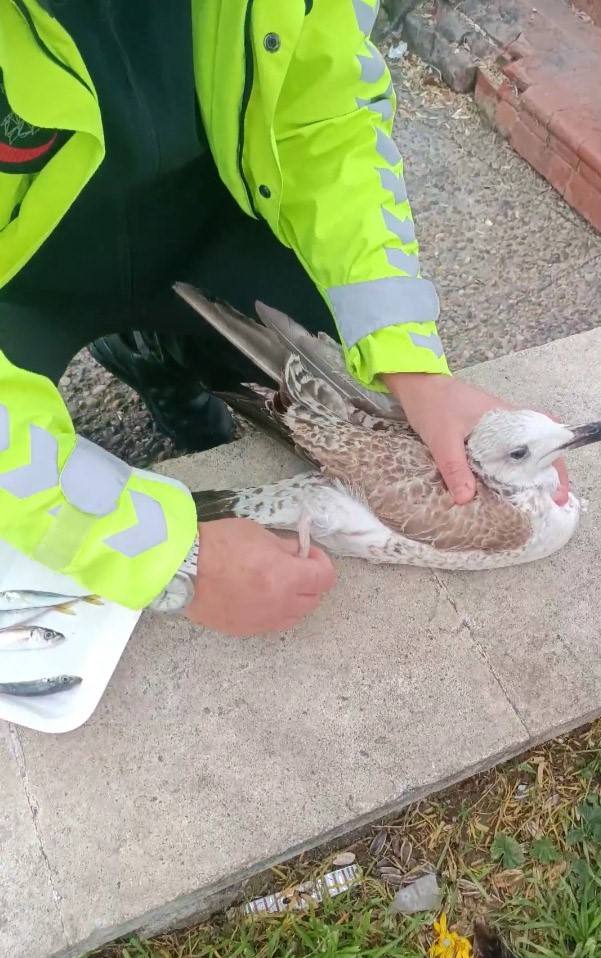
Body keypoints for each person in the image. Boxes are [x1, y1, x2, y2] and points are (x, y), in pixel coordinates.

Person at [1, 0, 568, 637]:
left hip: (209, 206)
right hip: (20, 276)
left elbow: (328, 112)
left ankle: (163, 367)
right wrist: (166, 559)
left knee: (318, 361)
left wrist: (402, 349)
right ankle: (138, 356)